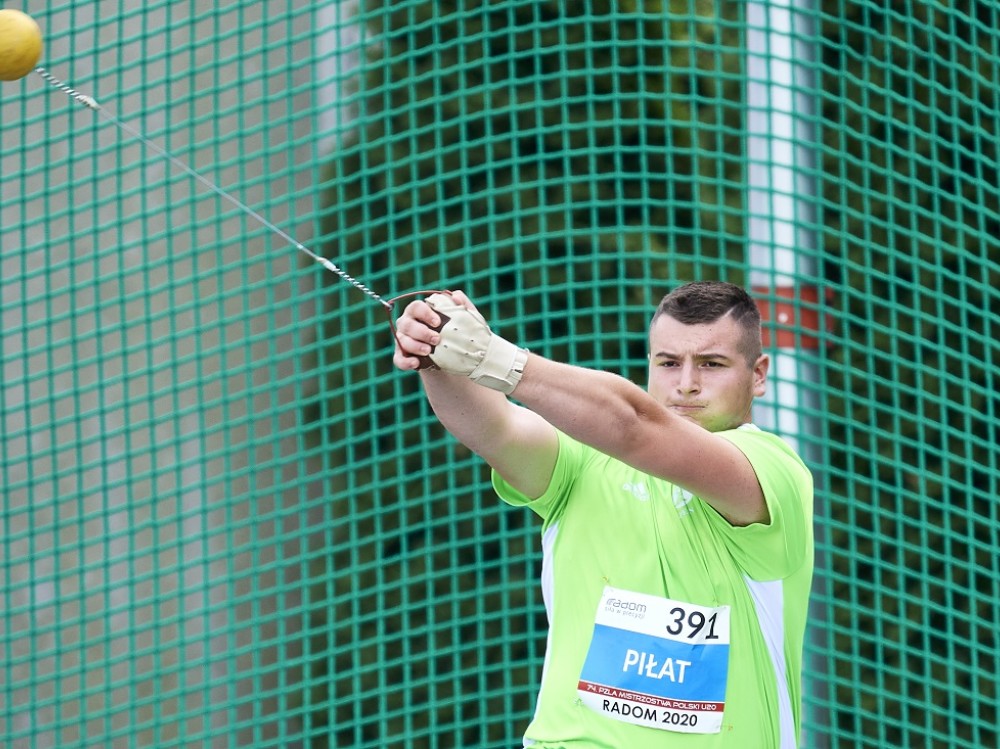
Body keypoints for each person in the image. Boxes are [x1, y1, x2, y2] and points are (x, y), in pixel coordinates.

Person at [392, 281, 814, 748]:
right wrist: (436, 354)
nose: (686, 382)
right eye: (668, 363)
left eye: (711, 364)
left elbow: (636, 427)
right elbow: (496, 426)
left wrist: (497, 358)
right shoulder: (584, 460)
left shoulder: (770, 471)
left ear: (757, 375)